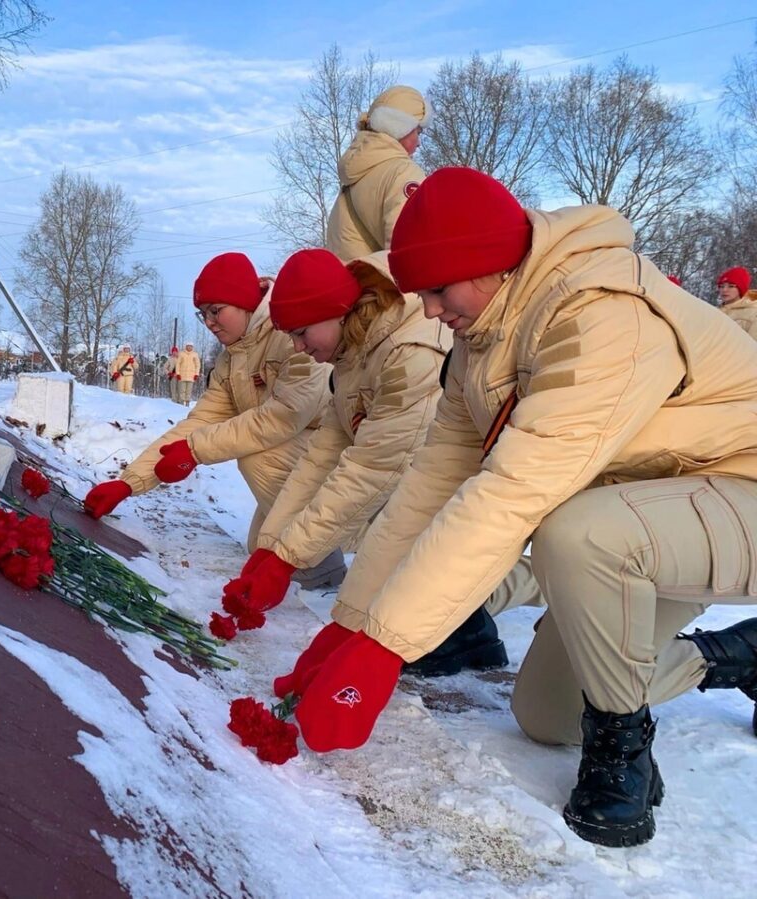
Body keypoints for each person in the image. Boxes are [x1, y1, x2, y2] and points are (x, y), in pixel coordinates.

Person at [278, 167, 757, 849]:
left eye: (438, 292)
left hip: (740, 493)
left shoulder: (601, 317)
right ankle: (730, 657)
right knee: (546, 715)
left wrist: (383, 651)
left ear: (487, 266)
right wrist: (352, 624)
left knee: (575, 532)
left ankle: (621, 755)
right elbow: (429, 485)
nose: (432, 312)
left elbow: (510, 493)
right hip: (646, 513)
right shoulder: (483, 340)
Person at [216, 248, 450, 601]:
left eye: (301, 333)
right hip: (412, 474)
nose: (297, 347)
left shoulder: (408, 355)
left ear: (335, 313)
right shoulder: (353, 351)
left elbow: (370, 468)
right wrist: (271, 547)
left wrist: (287, 559)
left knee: (419, 579)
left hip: (462, 482)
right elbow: (321, 456)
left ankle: (530, 590)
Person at [83, 252, 330, 557]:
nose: (210, 323)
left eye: (216, 310)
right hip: (306, 456)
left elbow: (283, 417)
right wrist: (129, 483)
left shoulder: (292, 336)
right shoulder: (233, 360)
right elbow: (199, 422)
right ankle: (304, 551)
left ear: (244, 301)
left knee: (258, 458)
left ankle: (322, 560)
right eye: (203, 314)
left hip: (343, 453)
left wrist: (196, 450)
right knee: (262, 545)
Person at [324, 85, 429, 264]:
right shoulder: (403, 173)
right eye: (417, 132)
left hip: (350, 289)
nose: (419, 143)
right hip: (386, 290)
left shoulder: (354, 175)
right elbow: (410, 256)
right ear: (399, 128)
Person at [718, 267, 757, 340]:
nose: (724, 290)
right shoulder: (715, 311)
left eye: (731, 286)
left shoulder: (753, 313)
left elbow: (753, 347)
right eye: (721, 286)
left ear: (741, 288)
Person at [173, 341, 201, 405]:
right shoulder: (181, 353)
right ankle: (181, 403)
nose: (189, 347)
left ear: (192, 347)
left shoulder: (195, 354)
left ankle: (187, 403)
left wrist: (196, 374)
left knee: (189, 390)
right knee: (182, 390)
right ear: (186, 346)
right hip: (182, 376)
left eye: (191, 346)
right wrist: (178, 373)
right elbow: (178, 364)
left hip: (191, 376)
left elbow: (198, 365)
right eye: (188, 346)